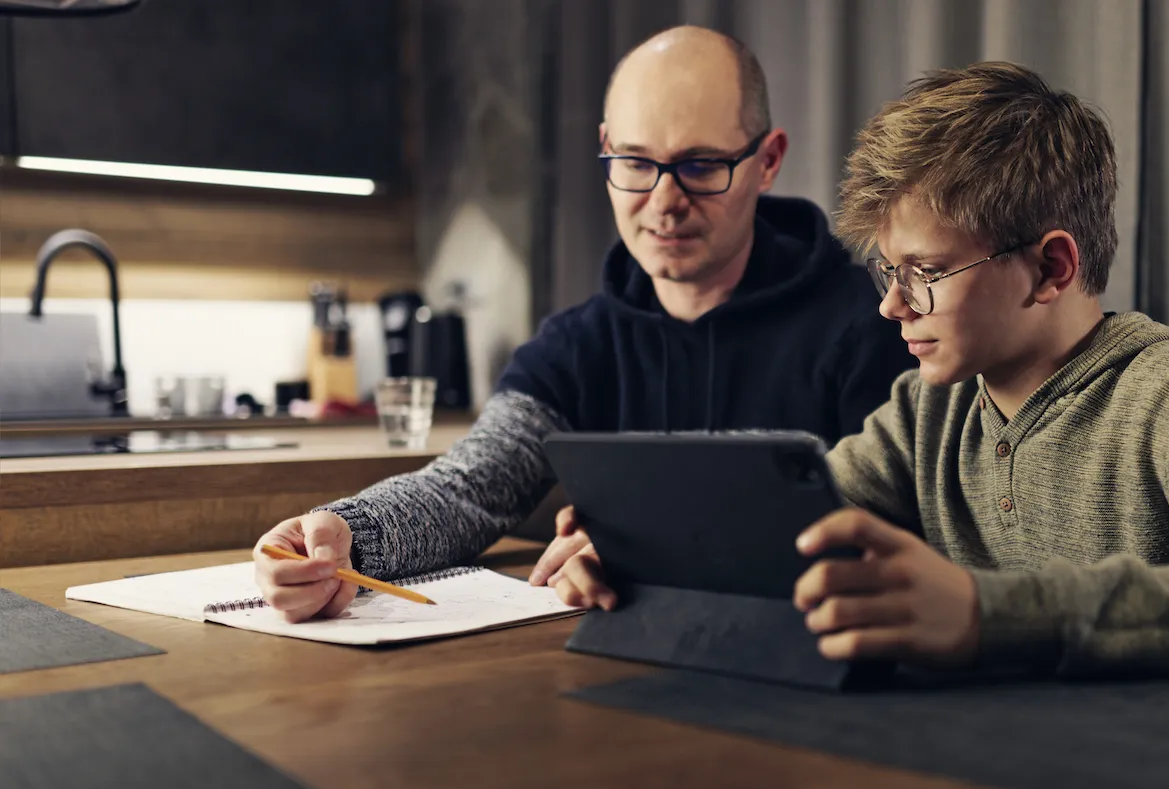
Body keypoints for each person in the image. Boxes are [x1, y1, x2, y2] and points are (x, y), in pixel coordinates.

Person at [549, 61, 1169, 681]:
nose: (891, 307)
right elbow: (774, 528)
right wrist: (634, 548)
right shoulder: (927, 412)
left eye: (925, 272)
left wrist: (987, 614)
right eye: (887, 272)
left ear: (1052, 267)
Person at [251, 26, 913, 622]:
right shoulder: (576, 344)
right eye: (634, 163)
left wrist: (653, 538)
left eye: (701, 166)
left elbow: (892, 519)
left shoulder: (875, 323)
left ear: (767, 160)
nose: (663, 203)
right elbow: (471, 488)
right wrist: (343, 534)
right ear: (605, 151)